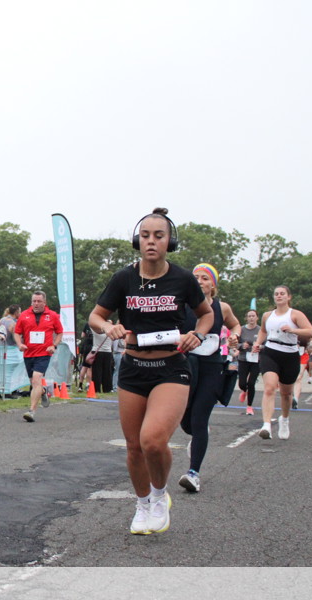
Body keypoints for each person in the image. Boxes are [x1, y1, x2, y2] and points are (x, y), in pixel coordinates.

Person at [89, 208, 211, 535]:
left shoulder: (182, 279)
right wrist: (109, 327)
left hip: (171, 367)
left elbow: (206, 315)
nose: (151, 242)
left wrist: (198, 335)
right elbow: (96, 316)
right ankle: (142, 504)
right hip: (133, 367)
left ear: (170, 241)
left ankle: (159, 496)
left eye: (159, 236)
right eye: (145, 236)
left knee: (153, 441)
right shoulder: (124, 278)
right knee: (134, 447)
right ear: (137, 241)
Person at [178, 263, 240, 493]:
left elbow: (235, 325)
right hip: (185, 365)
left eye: (205, 278)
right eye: (196, 277)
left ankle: (193, 473)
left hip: (211, 367)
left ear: (213, 285)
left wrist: (234, 336)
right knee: (185, 421)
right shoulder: (181, 305)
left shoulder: (221, 307)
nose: (200, 281)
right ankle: (198, 436)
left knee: (199, 418)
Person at [252, 286, 312, 440]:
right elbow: (263, 331)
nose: (279, 296)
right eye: (276, 294)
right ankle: (266, 425)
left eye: (282, 294)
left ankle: (284, 420)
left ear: (288, 297)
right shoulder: (267, 315)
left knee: (286, 393)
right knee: (269, 387)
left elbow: (310, 332)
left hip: (290, 354)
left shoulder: (295, 314)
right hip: (270, 352)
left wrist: (293, 330)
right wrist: (258, 343)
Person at [13, 290, 63, 423]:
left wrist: (54, 345)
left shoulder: (52, 315)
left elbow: (59, 332)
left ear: (44, 302)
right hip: (28, 353)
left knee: (36, 379)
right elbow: (17, 332)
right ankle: (43, 391)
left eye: (39, 301)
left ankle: (31, 411)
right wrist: (19, 344)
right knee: (35, 383)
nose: (36, 303)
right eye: (34, 301)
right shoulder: (24, 315)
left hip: (44, 353)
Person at [236, 309, 261, 415]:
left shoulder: (260, 330)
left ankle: (249, 406)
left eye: (253, 316)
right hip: (243, 358)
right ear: (246, 318)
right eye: (249, 316)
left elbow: (266, 344)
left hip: (256, 360)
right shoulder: (241, 329)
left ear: (257, 318)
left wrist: (259, 347)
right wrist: (242, 345)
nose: (251, 318)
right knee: (242, 383)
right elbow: (234, 344)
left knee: (251, 383)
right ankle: (244, 390)